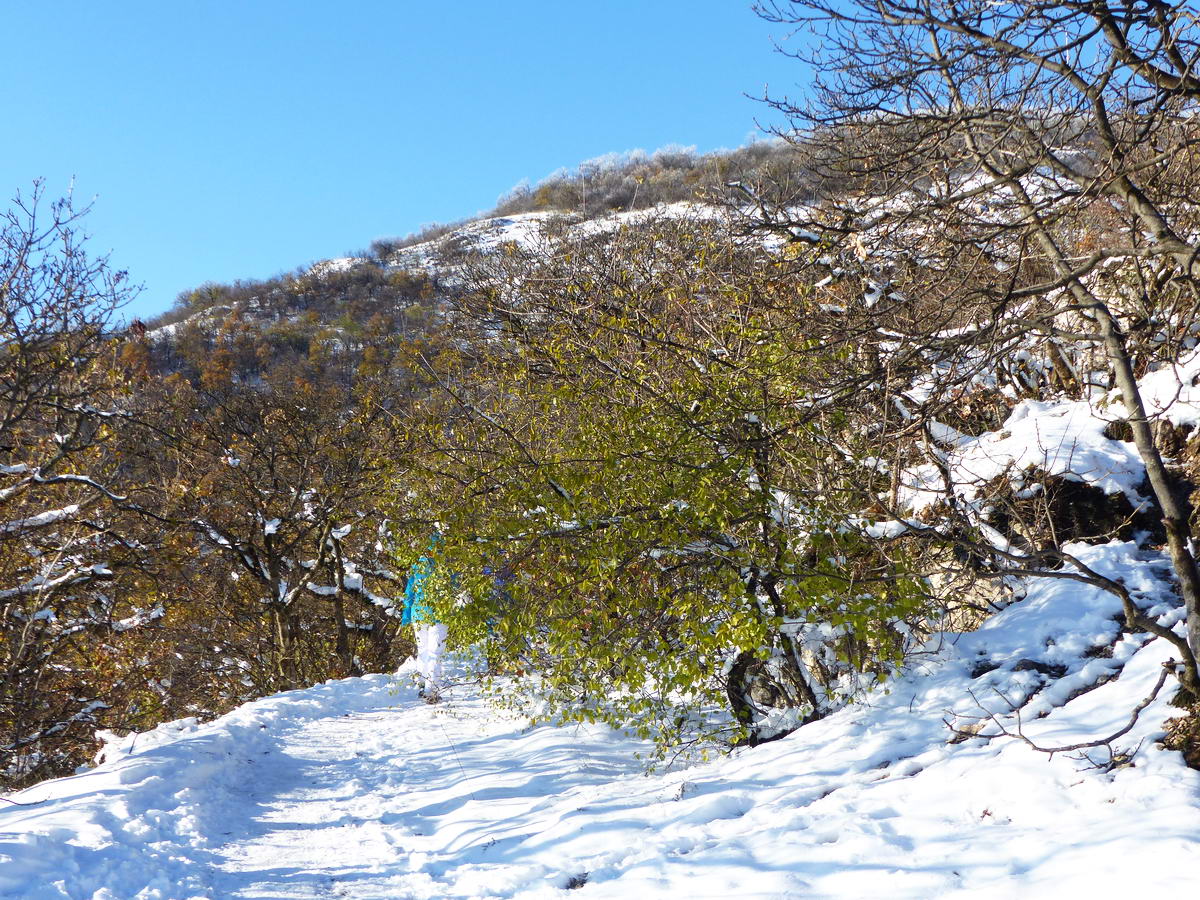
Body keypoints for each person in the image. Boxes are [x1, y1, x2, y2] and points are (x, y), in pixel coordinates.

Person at [403, 544, 448, 702]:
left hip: (419, 613)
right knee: (435, 652)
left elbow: (409, 591)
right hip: (439, 613)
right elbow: (455, 588)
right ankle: (431, 691)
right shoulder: (446, 564)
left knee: (423, 649)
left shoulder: (418, 564)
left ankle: (422, 683)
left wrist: (406, 614)